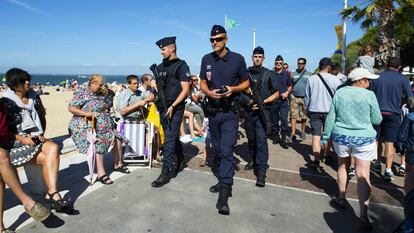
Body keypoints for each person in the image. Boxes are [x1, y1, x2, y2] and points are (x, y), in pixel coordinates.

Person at [1, 68, 73, 213]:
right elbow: (5, 131)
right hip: (15, 142)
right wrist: (22, 138)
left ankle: (52, 191)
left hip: (35, 137)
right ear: (14, 84)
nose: (28, 82)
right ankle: (53, 196)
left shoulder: (34, 96)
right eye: (23, 80)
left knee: (53, 148)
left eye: (28, 79)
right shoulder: (5, 102)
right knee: (48, 158)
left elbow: (42, 117)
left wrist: (41, 133)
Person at [322, 68, 381, 230]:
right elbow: (377, 119)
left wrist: (326, 136)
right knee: (363, 174)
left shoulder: (340, 93)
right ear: (361, 81)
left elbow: (331, 117)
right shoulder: (369, 95)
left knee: (342, 165)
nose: (370, 83)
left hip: (341, 136)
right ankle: (363, 215)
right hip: (364, 138)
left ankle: (341, 197)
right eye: (368, 80)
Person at [199, 25, 250, 215]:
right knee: (218, 149)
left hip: (230, 112)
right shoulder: (206, 59)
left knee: (227, 150)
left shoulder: (238, 59)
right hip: (213, 112)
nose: (214, 43)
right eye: (212, 40)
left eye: (218, 39)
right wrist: (208, 92)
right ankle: (222, 179)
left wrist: (233, 89)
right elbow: (203, 80)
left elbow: (246, 82)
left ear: (226, 39)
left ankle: (224, 192)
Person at [0, 103, 50, 233]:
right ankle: (26, 201)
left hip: (4, 146)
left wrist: (22, 139)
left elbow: (6, 133)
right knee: (1, 156)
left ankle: (0, 228)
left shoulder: (1, 106)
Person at [68, 74, 124, 185]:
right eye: (100, 85)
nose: (102, 87)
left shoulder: (99, 94)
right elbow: (71, 108)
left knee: (117, 137)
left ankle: (118, 164)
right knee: (99, 142)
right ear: (92, 83)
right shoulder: (82, 94)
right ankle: (101, 173)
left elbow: (106, 105)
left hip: (102, 125)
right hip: (85, 125)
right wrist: (86, 113)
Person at [151, 36, 191, 188]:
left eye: (163, 49)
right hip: (162, 107)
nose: (161, 52)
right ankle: (180, 158)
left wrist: (173, 106)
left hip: (175, 107)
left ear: (172, 49)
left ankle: (166, 170)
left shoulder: (182, 66)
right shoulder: (160, 68)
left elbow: (185, 90)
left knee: (168, 138)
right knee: (172, 137)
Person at [371, 57, 414, 181]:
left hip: (377, 113)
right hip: (393, 114)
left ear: (387, 64)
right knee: (389, 143)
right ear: (399, 67)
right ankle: (388, 170)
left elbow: (371, 95)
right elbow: (410, 99)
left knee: (377, 139)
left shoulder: (377, 77)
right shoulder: (403, 79)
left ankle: (377, 162)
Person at [242, 46, 279, 187]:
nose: (257, 58)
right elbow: (241, 92)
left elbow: (276, 93)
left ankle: (261, 172)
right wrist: (249, 101)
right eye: (255, 56)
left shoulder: (269, 74)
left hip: (263, 113)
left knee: (262, 141)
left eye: (260, 56)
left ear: (263, 58)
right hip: (249, 112)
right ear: (252, 58)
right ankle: (252, 159)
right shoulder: (246, 74)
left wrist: (263, 102)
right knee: (251, 139)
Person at [305, 57, 341, 170]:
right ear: (329, 67)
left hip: (315, 110)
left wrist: (307, 109)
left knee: (316, 135)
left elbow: (307, 96)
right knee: (328, 134)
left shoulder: (311, 79)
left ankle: (316, 160)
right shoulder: (336, 80)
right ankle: (326, 155)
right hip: (330, 111)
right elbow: (338, 97)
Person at [117, 75, 158, 165]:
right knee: (151, 131)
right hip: (129, 121)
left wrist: (153, 88)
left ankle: (151, 155)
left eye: (137, 83)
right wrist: (138, 104)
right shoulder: (125, 94)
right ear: (128, 84)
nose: (136, 85)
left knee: (155, 129)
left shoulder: (139, 92)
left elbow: (152, 97)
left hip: (139, 121)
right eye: (134, 83)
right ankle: (150, 156)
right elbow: (123, 111)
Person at [289, 58, 312, 141]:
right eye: (298, 63)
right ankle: (293, 133)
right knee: (293, 115)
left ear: (305, 64)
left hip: (305, 98)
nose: (300, 65)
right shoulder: (293, 73)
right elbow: (289, 84)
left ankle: (302, 131)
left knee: (304, 116)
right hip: (294, 97)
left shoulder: (309, 74)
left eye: (301, 63)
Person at [272, 55, 292, 149]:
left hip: (283, 101)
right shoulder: (271, 74)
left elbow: (290, 85)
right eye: (277, 63)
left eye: (280, 63)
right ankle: (276, 136)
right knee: (274, 120)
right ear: (275, 64)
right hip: (274, 101)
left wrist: (287, 92)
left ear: (283, 64)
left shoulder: (286, 74)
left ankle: (283, 139)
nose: (278, 64)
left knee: (284, 120)